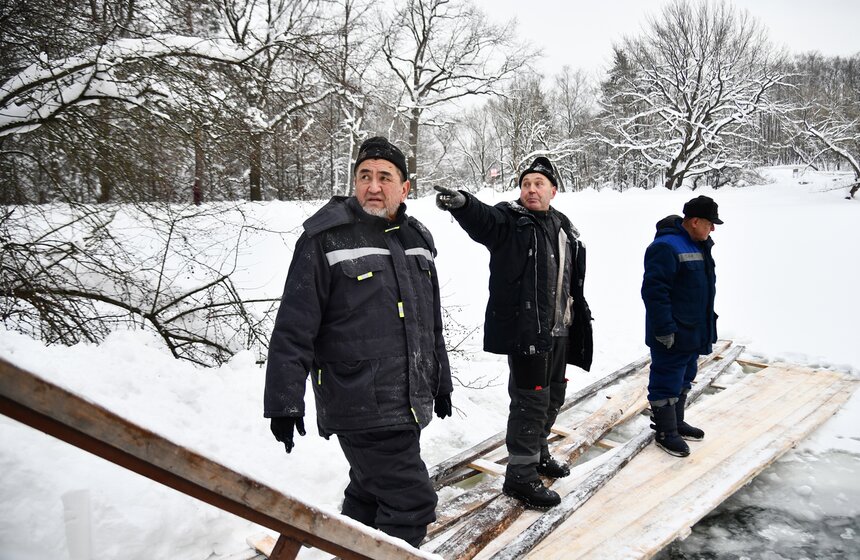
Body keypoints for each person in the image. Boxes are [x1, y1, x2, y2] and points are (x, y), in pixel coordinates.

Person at [264, 136, 453, 548]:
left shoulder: (417, 239)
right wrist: (284, 399)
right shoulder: (325, 239)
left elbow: (429, 325)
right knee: (411, 503)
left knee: (368, 493)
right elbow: (294, 327)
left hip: (408, 399)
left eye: (385, 177)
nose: (372, 186)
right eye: (364, 176)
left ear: (405, 188)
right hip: (359, 400)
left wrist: (441, 383)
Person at [434, 156, 593, 510]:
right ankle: (520, 476)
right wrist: (463, 204)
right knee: (530, 403)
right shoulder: (510, 221)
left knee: (553, 397)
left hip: (559, 331)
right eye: (526, 183)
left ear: (553, 190)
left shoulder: (564, 227)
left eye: (539, 184)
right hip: (528, 332)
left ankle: (538, 452)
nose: (531, 189)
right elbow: (484, 220)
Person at [641, 195, 722, 457]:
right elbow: (654, 292)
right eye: (710, 223)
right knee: (666, 379)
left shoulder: (699, 244)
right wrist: (664, 328)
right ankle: (665, 432)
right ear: (695, 221)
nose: (713, 229)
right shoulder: (666, 246)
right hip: (672, 331)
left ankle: (676, 422)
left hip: (693, 329)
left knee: (685, 376)